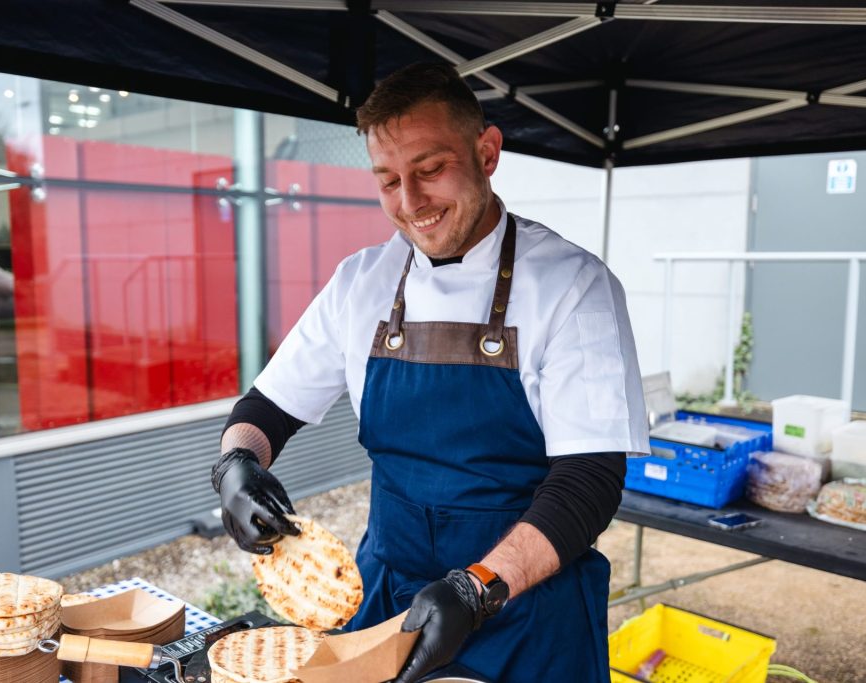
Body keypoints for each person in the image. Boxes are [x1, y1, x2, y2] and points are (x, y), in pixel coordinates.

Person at [211, 63, 649, 683]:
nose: (410, 203)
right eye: (388, 180)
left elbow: (590, 481)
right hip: (390, 600)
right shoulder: (360, 283)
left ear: (487, 151)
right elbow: (265, 412)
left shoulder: (573, 286)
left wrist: (477, 588)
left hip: (526, 608)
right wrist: (237, 465)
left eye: (430, 169)